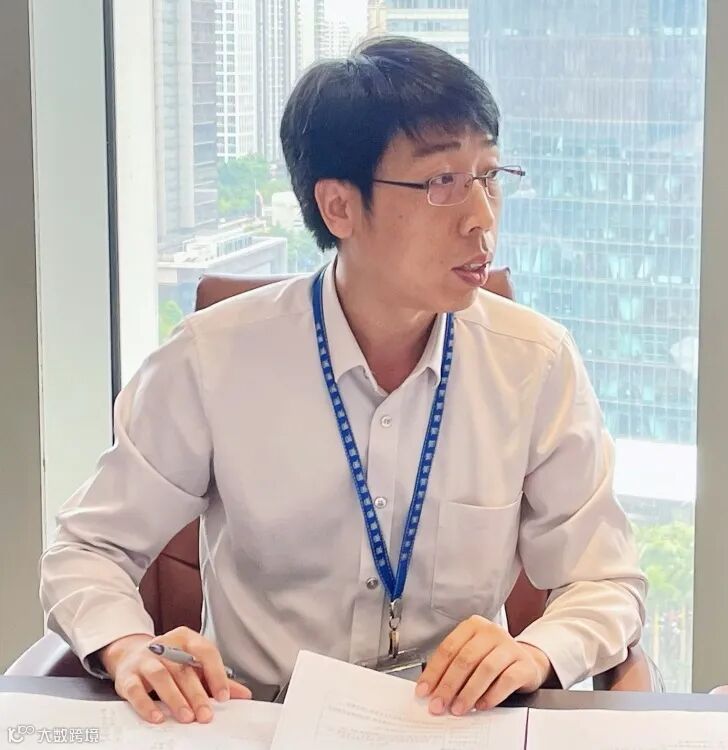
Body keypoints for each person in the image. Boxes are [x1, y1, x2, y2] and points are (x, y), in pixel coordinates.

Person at [40, 36, 646, 725]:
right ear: (338, 207)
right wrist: (127, 646)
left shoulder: (533, 363)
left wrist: (537, 651)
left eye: (489, 175)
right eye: (442, 182)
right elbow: (87, 549)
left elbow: (605, 579)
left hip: (449, 723)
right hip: (259, 718)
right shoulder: (213, 359)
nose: (481, 217)